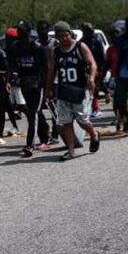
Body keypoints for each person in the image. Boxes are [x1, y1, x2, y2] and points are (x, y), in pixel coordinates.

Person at [47, 21, 100, 161]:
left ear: (70, 33)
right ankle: (71, 151)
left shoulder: (79, 46)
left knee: (82, 121)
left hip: (80, 89)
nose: (64, 39)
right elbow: (51, 71)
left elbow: (92, 64)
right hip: (64, 91)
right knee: (66, 122)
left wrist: (91, 78)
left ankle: (94, 134)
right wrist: (49, 89)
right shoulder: (55, 51)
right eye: (60, 37)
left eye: (66, 35)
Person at [6, 20, 51, 157]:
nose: (20, 33)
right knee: (35, 113)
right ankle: (45, 135)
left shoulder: (37, 48)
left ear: (28, 32)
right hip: (25, 85)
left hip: (38, 85)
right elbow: (12, 65)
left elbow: (45, 69)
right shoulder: (15, 47)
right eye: (19, 31)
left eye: (23, 30)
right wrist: (10, 79)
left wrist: (46, 88)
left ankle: (29, 145)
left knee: (33, 114)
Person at [81, 23, 107, 118]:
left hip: (96, 68)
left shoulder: (96, 42)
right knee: (86, 90)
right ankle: (89, 108)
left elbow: (102, 57)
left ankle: (96, 108)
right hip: (85, 69)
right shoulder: (82, 42)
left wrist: (101, 69)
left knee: (95, 89)